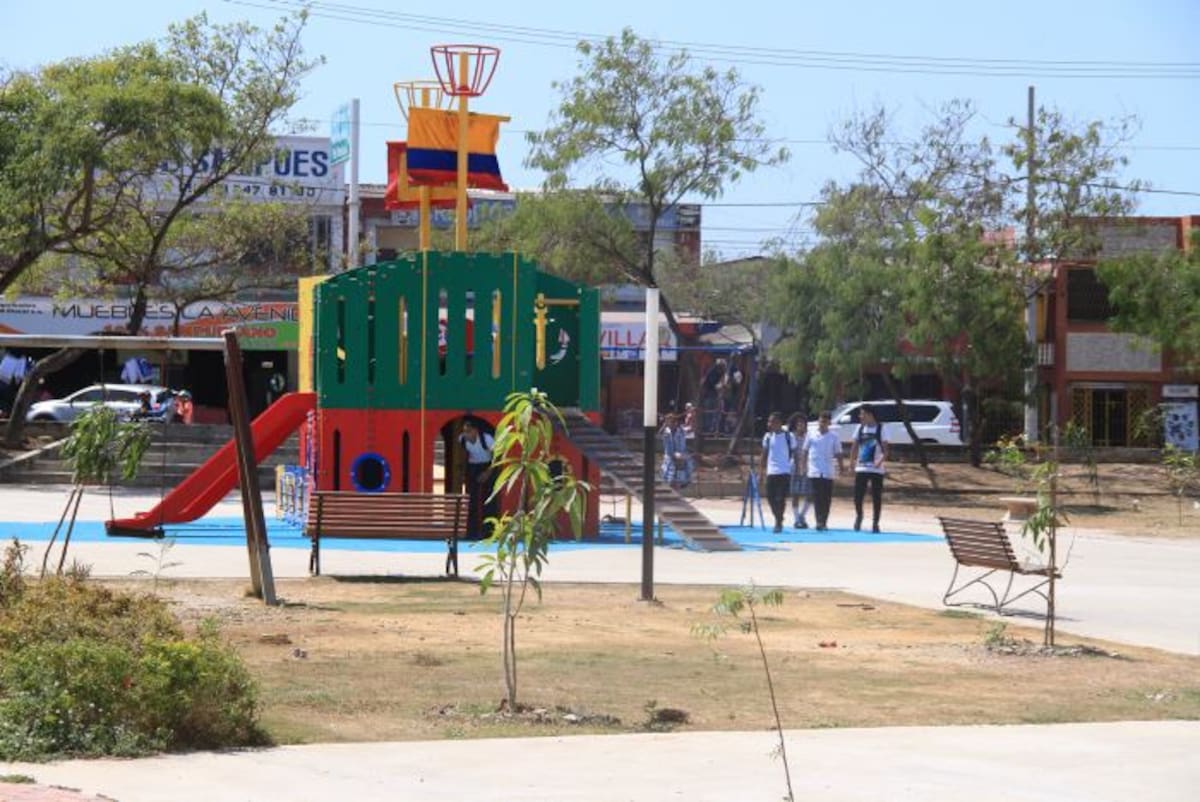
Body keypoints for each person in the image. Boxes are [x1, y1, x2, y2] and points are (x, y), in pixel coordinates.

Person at [802, 410, 846, 531]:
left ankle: (824, 521)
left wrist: (841, 467)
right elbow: (805, 451)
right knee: (817, 496)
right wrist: (803, 466)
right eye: (821, 421)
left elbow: (838, 453)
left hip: (828, 471)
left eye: (825, 421)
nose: (822, 423)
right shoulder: (811, 434)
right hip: (814, 470)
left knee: (826, 498)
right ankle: (818, 521)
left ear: (829, 423)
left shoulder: (834, 436)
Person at [852, 404, 888, 533]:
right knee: (857, 496)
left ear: (869, 414)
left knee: (876, 497)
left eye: (862, 414)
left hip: (876, 470)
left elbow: (886, 450)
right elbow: (854, 447)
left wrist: (880, 461)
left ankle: (875, 522)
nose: (860, 416)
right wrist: (852, 462)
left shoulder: (881, 428)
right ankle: (859, 516)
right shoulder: (860, 428)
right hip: (861, 468)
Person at [458, 419, 497, 539]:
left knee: (488, 500)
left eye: (468, 431)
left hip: (489, 465)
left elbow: (497, 456)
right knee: (472, 500)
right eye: (464, 431)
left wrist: (487, 473)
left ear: (475, 431)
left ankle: (489, 532)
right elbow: (461, 456)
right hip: (473, 467)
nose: (466, 434)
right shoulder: (462, 439)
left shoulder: (487, 439)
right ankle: (472, 532)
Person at [759, 412, 796, 533]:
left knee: (781, 498)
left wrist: (797, 466)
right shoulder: (768, 437)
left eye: (772, 422)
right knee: (770, 497)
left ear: (779, 423)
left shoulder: (789, 436)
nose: (769, 424)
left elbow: (794, 453)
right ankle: (778, 516)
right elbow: (764, 455)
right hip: (771, 471)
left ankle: (778, 522)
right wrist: (761, 472)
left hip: (784, 471)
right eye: (769, 421)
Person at [786, 413, 814, 529]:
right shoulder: (790, 437)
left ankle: (802, 515)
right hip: (794, 467)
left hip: (807, 467)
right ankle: (797, 518)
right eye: (798, 423)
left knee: (810, 494)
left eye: (803, 423)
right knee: (795, 494)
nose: (801, 426)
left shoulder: (809, 436)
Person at [660, 412, 692, 490]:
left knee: (682, 475)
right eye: (669, 422)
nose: (672, 424)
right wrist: (673, 454)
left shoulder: (681, 431)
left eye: (673, 422)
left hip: (681, 455)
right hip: (670, 457)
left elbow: (689, 429)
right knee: (670, 477)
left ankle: (680, 487)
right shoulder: (666, 433)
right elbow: (667, 447)